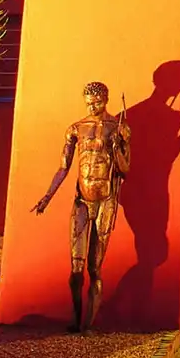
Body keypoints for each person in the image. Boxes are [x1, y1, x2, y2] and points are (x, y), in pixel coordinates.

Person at [33, 81, 131, 332]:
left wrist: (117, 146)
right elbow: (63, 168)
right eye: (89, 102)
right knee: (76, 268)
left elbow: (125, 170)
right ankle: (76, 320)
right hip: (81, 200)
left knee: (95, 267)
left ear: (106, 100)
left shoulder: (118, 127)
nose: (93, 106)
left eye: (97, 102)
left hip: (106, 201)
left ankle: (88, 323)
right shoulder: (76, 128)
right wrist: (47, 196)